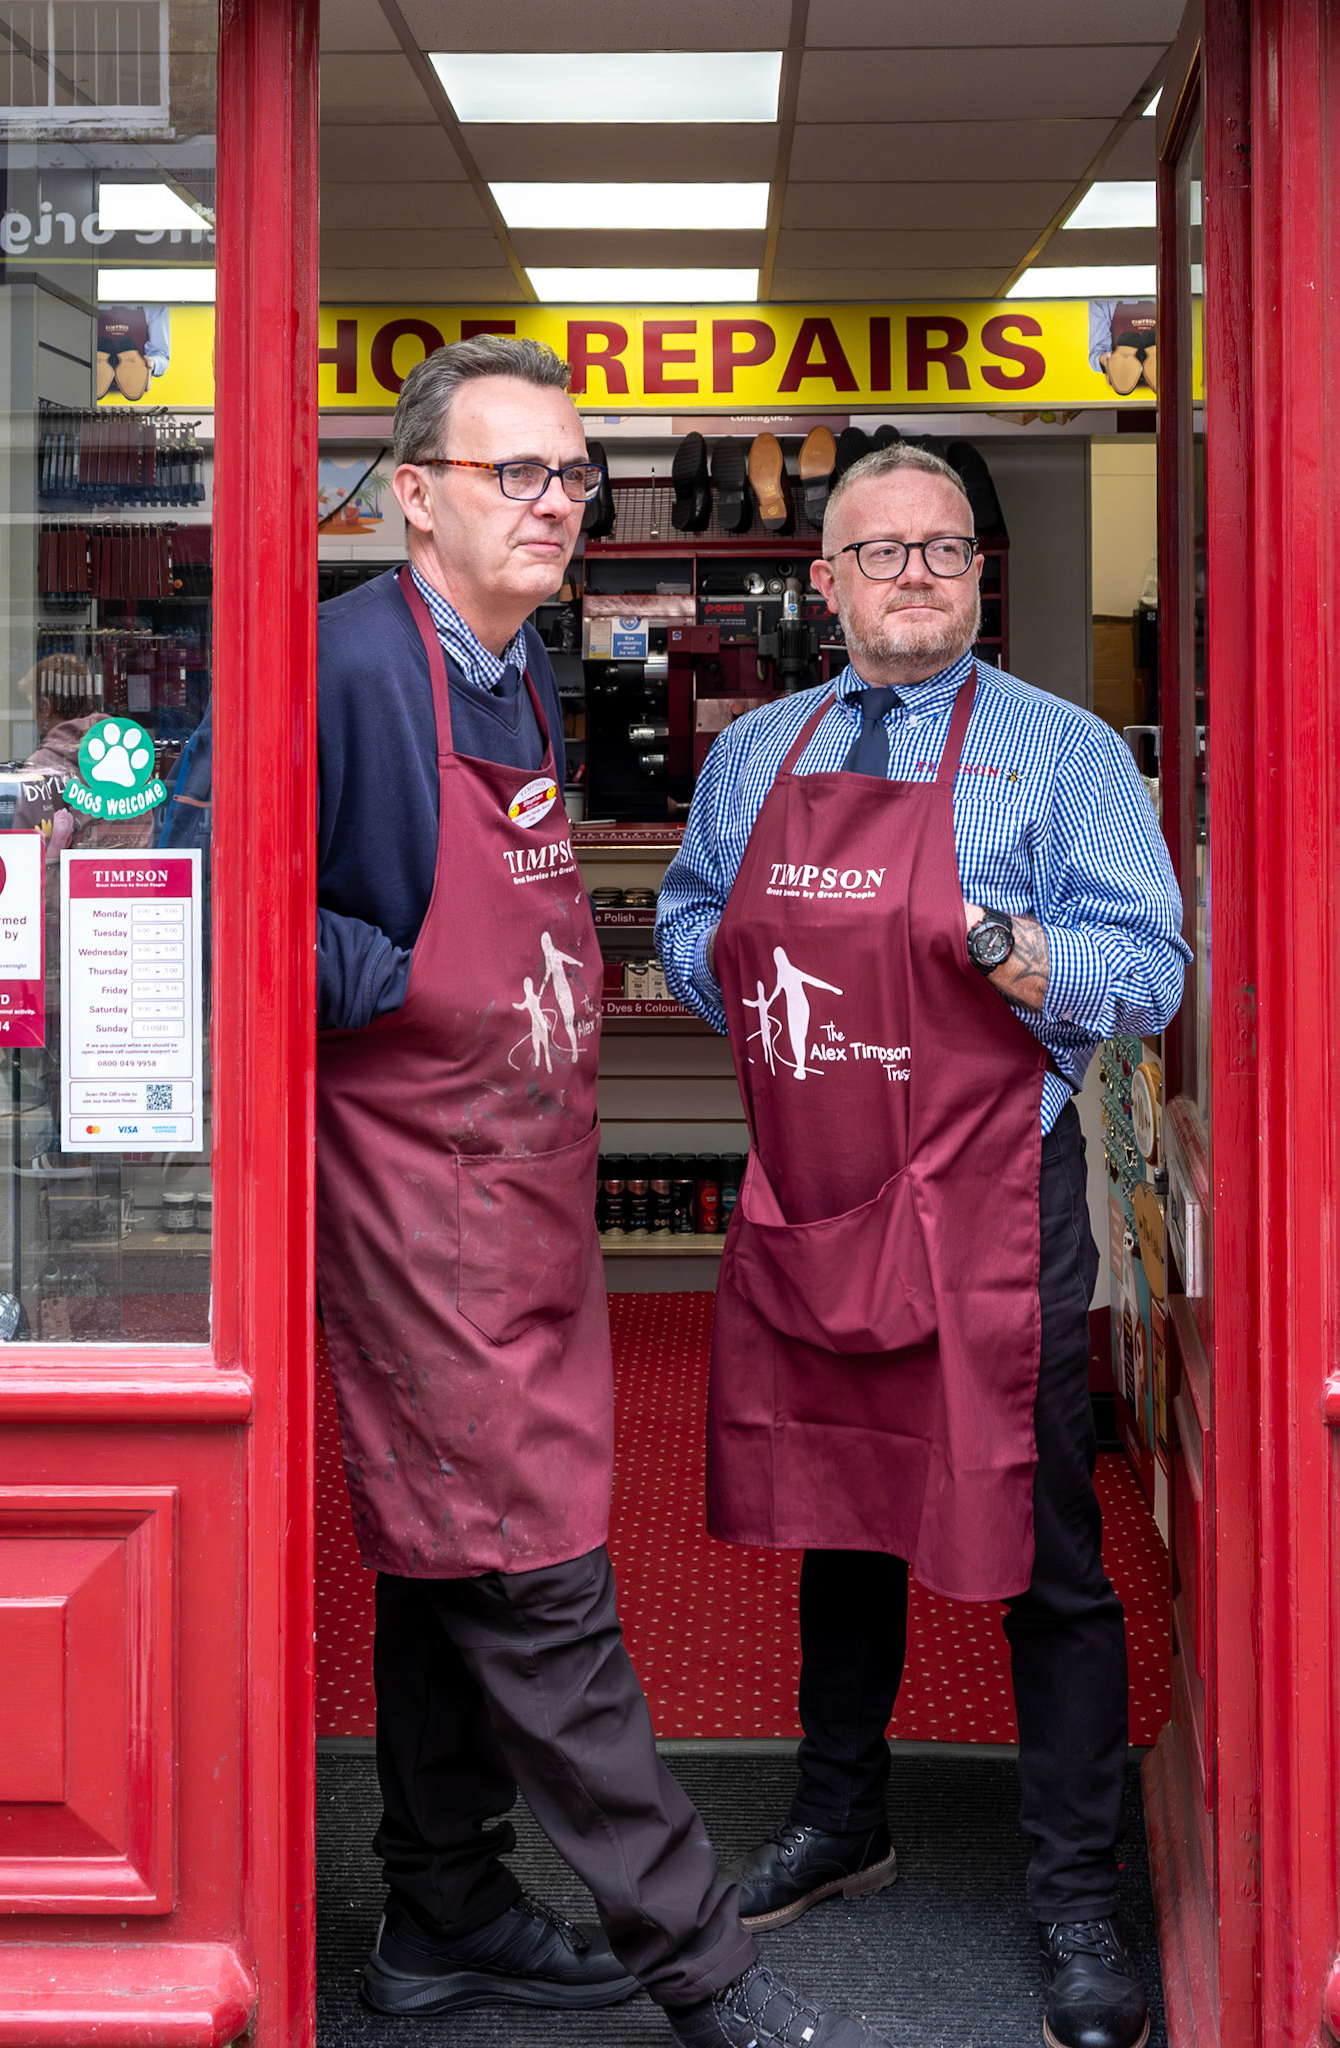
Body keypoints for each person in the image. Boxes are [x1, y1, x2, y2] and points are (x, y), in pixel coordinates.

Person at [316, 334, 891, 2048]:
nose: (556, 501)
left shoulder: (517, 666)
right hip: (418, 1190)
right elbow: (235, 909)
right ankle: (703, 1972)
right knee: (536, 1571)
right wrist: (418, 965)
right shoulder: (353, 666)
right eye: (518, 472)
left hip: (527, 1184)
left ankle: (446, 1909)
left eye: (572, 473)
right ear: (413, 497)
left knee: (447, 1564)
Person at [656, 443, 1189, 2048]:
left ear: (977, 577)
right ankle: (841, 1817)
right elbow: (689, 918)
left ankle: (1077, 1893)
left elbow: (1149, 968)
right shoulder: (755, 753)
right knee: (842, 1503)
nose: (911, 577)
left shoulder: (1063, 751)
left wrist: (1000, 949)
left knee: (1042, 1550)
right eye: (877, 554)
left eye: (941, 553)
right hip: (817, 1182)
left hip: (987, 1202)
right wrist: (754, 995)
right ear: (823, 582)